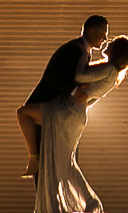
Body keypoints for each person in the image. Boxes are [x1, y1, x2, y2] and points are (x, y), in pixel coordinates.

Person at [28, 35, 128, 213]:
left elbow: (78, 75)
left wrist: (83, 57)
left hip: (66, 112)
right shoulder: (112, 74)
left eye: (112, 43)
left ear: (116, 51)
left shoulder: (108, 69)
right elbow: (90, 99)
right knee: (63, 161)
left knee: (25, 115)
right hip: (73, 115)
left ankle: (85, 201)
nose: (107, 43)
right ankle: (65, 203)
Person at [17, 15, 109, 178]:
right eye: (103, 33)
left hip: (57, 112)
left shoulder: (83, 51)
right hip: (45, 107)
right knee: (45, 169)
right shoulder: (74, 49)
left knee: (52, 170)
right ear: (90, 30)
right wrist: (74, 91)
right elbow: (53, 75)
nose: (105, 39)